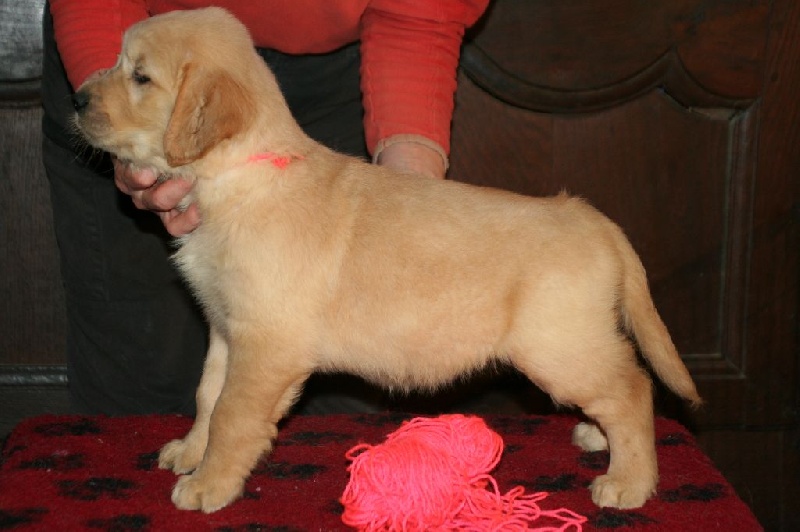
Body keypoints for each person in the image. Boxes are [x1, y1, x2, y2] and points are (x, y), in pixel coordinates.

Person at [43, 0, 490, 416]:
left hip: (347, 73)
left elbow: (419, 14)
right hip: (150, 46)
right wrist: (123, 112)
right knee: (137, 379)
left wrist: (410, 195)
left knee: (347, 397)